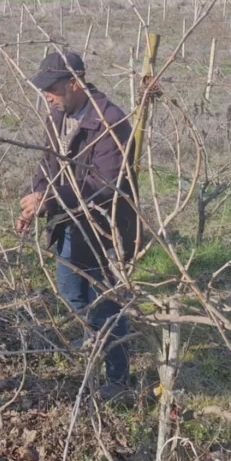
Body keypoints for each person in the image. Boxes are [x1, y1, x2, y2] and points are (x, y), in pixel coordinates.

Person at [15, 51, 138, 400]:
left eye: (50, 88)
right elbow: (46, 163)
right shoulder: (59, 115)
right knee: (70, 290)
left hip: (105, 231)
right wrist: (35, 197)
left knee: (108, 305)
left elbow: (104, 185)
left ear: (74, 83)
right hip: (68, 223)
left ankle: (118, 379)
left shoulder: (110, 122)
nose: (46, 96)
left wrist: (49, 199)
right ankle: (91, 338)